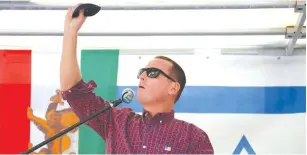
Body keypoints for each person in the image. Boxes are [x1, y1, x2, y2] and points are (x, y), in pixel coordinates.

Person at [60, 5, 214, 154]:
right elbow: (73, 91)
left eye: (153, 72)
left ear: (173, 88)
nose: (142, 76)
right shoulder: (117, 122)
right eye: (142, 72)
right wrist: (71, 32)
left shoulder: (193, 137)